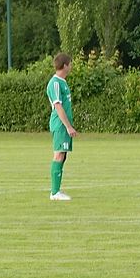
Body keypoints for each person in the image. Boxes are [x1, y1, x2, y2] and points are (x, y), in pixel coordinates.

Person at [46, 53, 79, 201]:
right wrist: (68, 126)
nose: (71, 67)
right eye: (70, 64)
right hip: (60, 125)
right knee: (59, 154)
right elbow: (58, 106)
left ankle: (57, 189)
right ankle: (55, 193)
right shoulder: (55, 83)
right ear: (64, 65)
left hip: (63, 125)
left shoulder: (63, 82)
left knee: (63, 155)